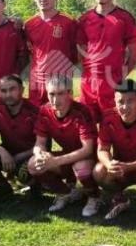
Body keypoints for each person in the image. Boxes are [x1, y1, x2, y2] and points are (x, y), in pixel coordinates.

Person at [27, 74, 99, 216]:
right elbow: (39, 143)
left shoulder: (81, 111)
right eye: (51, 94)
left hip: (88, 158)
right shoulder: (44, 111)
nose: (55, 99)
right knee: (33, 164)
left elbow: (88, 149)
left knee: (81, 167)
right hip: (67, 158)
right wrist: (39, 154)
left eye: (60, 94)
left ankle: (94, 197)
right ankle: (66, 193)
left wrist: (56, 161)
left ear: (70, 93)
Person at [93, 79, 136, 221]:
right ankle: (120, 198)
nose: (124, 107)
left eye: (130, 101)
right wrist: (109, 164)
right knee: (98, 171)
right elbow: (102, 149)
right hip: (121, 170)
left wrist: (129, 166)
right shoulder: (108, 118)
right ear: (115, 101)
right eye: (120, 102)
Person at [76, 0, 136, 121]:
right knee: (87, 124)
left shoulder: (124, 18)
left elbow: (134, 54)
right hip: (88, 83)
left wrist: (119, 76)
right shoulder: (85, 19)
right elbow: (80, 52)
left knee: (112, 125)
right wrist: (89, 72)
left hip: (113, 82)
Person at [0, 74, 38, 198]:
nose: (8, 94)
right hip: (7, 153)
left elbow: (44, 145)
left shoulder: (34, 112)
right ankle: (4, 188)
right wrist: (1, 151)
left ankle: (36, 187)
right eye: (3, 91)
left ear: (22, 90)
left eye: (12, 89)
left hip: (30, 155)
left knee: (25, 172)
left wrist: (19, 157)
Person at [23, 0, 78, 107]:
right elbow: (30, 52)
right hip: (37, 82)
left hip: (61, 81)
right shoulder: (28, 24)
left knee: (62, 116)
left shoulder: (69, 22)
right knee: (36, 116)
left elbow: (76, 54)